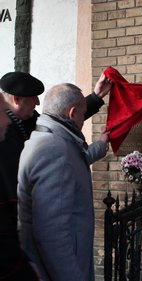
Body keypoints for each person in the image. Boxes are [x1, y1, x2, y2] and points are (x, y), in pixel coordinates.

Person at [0, 71, 111, 280]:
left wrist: (95, 98)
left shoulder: (27, 122)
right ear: (16, 99)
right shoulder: (9, 138)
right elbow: (50, 231)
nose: (37, 106)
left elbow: (61, 117)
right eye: (33, 102)